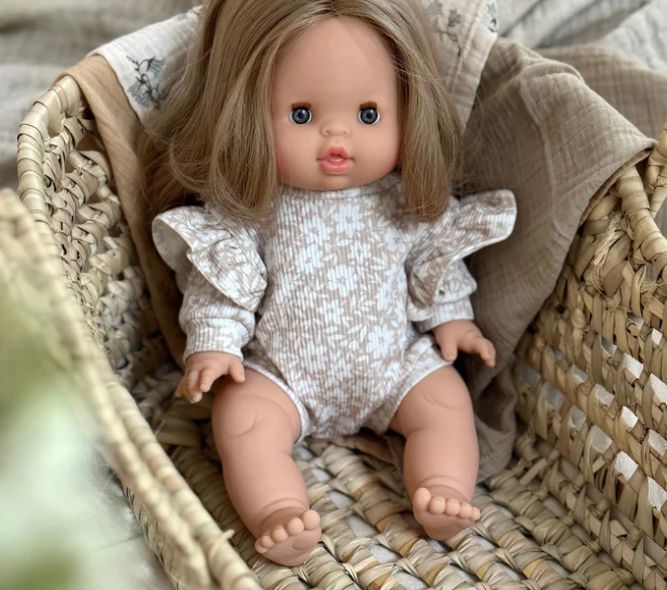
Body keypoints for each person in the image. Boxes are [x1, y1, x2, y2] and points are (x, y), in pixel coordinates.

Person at [146, 0, 516, 566]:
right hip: (282, 374)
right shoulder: (255, 209)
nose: (337, 135)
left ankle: (442, 487)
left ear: (407, 110)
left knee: (445, 399)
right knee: (241, 417)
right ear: (246, 117)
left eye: (369, 114)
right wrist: (215, 344)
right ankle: (277, 509)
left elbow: (434, 262)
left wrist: (453, 319)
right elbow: (225, 281)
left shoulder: (403, 202)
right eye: (301, 114)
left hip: (395, 365)